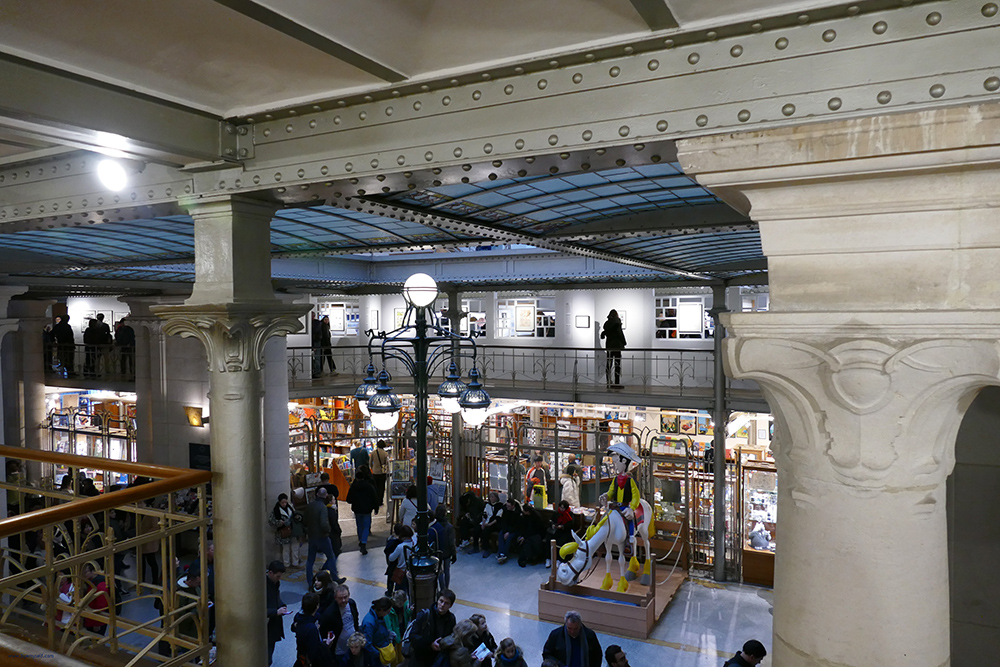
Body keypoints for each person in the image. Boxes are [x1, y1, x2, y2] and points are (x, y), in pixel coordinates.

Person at [304, 487, 343, 589]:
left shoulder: (310, 506)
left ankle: (310, 582)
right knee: (331, 556)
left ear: (317, 494)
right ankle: (335, 578)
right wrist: (328, 530)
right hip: (322, 537)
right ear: (326, 496)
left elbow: (305, 521)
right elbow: (324, 523)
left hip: (312, 536)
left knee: (310, 560)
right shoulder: (323, 507)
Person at [409, 589, 457, 667]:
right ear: (437, 600)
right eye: (441, 601)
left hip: (438, 659)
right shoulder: (424, 615)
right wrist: (430, 644)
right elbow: (413, 636)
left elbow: (452, 636)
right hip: (421, 659)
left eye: (446, 603)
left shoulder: (451, 619)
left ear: (450, 606)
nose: (442, 605)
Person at [292, 592, 335, 667]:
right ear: (317, 606)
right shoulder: (311, 629)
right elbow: (314, 653)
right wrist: (326, 644)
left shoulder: (299, 618)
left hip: (301, 654)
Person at [319, 583, 361, 660]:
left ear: (349, 595)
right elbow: (323, 631)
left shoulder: (351, 604)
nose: (343, 600)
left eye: (345, 597)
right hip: (339, 651)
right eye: (340, 598)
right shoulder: (329, 613)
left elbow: (356, 619)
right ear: (335, 598)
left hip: (353, 647)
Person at [346, 465, 378, 555]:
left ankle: (361, 540)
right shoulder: (369, 486)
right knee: (366, 526)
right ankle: (363, 542)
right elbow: (374, 497)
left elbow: (348, 499)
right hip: (367, 509)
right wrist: (376, 507)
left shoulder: (354, 487)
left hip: (357, 509)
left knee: (359, 525)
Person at [266, 560, 290, 665]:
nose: (279, 579)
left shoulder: (275, 583)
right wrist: (276, 611)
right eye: (278, 576)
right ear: (270, 573)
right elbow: (257, 610)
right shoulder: (262, 586)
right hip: (266, 625)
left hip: (273, 625)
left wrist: (282, 605)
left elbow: (276, 597)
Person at [360, 597, 395, 663]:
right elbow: (367, 643)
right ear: (381, 610)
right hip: (376, 657)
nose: (388, 614)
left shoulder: (379, 617)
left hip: (382, 649)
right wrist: (378, 655)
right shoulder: (369, 623)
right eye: (387, 612)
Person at [429, 504, 457, 588]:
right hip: (447, 552)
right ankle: (446, 588)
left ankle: (442, 587)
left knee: (439, 571)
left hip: (437, 552)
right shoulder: (449, 527)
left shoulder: (434, 526)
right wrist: (454, 553)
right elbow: (451, 542)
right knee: (446, 570)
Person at [81, 562, 111, 635]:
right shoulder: (92, 583)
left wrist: (97, 624)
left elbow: (101, 607)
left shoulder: (100, 585)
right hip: (90, 617)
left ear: (93, 571)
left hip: (96, 620)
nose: (84, 575)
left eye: (86, 572)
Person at [384, 525, 414, 596]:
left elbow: (391, 558)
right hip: (411, 571)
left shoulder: (400, 547)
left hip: (401, 571)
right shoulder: (413, 544)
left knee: (399, 593)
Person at [270, 492, 298, 567]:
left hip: (292, 530)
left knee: (294, 547)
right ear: (279, 502)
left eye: (285, 502)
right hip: (284, 531)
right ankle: (286, 564)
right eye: (283, 503)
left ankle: (295, 563)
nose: (284, 504)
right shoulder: (276, 510)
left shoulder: (290, 507)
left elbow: (295, 514)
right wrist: (279, 522)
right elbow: (271, 521)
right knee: (286, 549)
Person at [600, 309, 626, 387]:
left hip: (609, 347)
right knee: (617, 365)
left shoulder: (607, 324)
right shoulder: (617, 323)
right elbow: (620, 334)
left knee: (609, 364)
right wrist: (624, 342)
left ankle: (608, 381)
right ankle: (616, 383)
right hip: (617, 346)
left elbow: (604, 334)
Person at [516, 503, 546, 568]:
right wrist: (522, 535)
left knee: (528, 542)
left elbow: (535, 529)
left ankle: (529, 558)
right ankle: (528, 558)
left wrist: (524, 536)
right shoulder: (525, 516)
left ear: (527, 512)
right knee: (525, 541)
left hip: (537, 534)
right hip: (530, 533)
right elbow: (524, 527)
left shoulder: (536, 517)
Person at [496, 499, 521, 565]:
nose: (507, 507)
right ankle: (501, 553)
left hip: (515, 530)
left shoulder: (518, 513)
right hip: (507, 528)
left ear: (513, 506)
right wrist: (505, 531)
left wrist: (508, 532)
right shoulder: (505, 510)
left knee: (509, 537)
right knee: (500, 534)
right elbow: (504, 521)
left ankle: (504, 554)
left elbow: (517, 525)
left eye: (509, 506)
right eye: (507, 506)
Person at [480, 492, 503, 558]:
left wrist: (489, 524)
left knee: (486, 531)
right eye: (490, 497)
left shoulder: (500, 506)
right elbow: (484, 514)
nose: (491, 498)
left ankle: (487, 549)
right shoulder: (487, 505)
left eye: (493, 497)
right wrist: (483, 523)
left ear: (496, 498)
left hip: (494, 523)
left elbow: (498, 518)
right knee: (477, 529)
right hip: (486, 521)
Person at [371, 440, 389, 514]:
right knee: (381, 487)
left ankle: (375, 500)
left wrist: (372, 468)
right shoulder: (385, 453)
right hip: (382, 473)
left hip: (375, 472)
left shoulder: (373, 453)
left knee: (375, 486)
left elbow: (370, 462)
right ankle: (380, 501)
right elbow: (387, 463)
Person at [311, 312, 323, 379]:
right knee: (315, 358)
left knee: (317, 358)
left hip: (316, 342)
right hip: (314, 341)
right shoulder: (316, 323)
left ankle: (317, 372)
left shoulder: (317, 323)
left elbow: (316, 333)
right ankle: (315, 371)